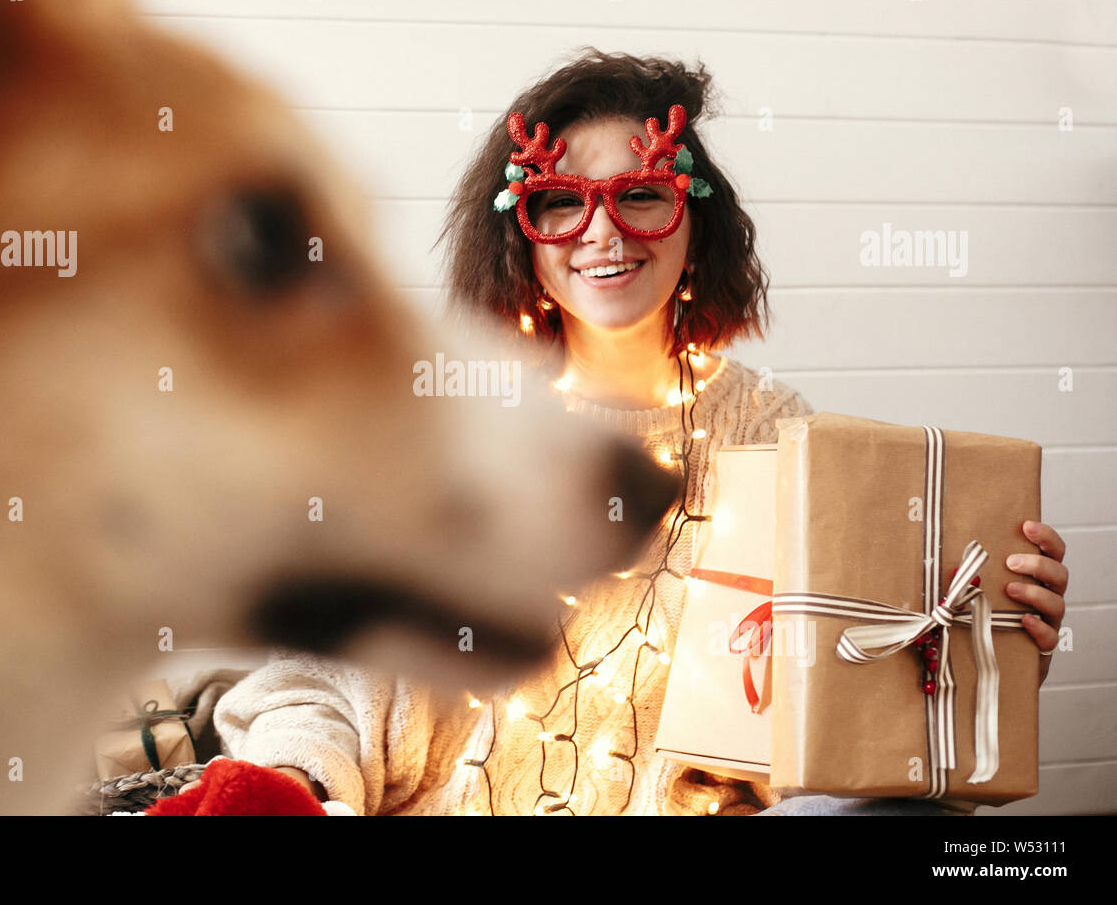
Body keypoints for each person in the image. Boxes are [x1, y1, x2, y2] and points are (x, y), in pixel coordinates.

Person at [211, 49, 1069, 816]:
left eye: (643, 195)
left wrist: (985, 630)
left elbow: (867, 694)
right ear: (521, 233)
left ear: (696, 222)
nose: (603, 233)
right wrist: (295, 787)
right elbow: (314, 673)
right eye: (560, 204)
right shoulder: (444, 424)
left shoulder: (782, 438)